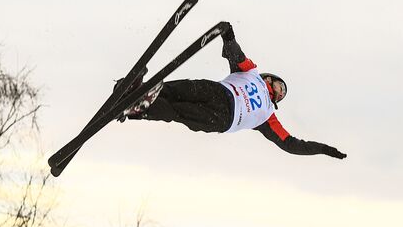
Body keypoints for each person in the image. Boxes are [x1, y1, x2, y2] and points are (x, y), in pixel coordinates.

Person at [123, 22, 347, 160]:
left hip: (224, 118)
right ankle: (139, 92)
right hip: (219, 92)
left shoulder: (268, 117)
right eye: (279, 86)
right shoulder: (252, 73)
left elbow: (291, 145)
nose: (278, 92)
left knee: (178, 112)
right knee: (182, 88)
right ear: (269, 78)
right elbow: (235, 55)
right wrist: (228, 34)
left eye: (281, 94)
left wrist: (323, 149)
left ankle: (139, 110)